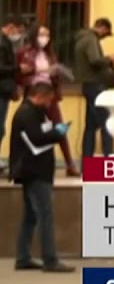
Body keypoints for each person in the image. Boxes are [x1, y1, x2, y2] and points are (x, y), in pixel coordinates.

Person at [8, 81, 75, 273]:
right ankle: (50, 259)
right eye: (48, 100)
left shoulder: (35, 112)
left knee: (30, 216)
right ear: (39, 96)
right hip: (34, 171)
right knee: (45, 215)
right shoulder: (27, 114)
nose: (49, 104)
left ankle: (23, 257)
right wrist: (58, 133)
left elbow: (41, 132)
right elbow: (36, 138)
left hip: (35, 170)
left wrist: (54, 130)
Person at [16, 26, 78, 176]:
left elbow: (55, 76)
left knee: (58, 126)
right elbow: (19, 74)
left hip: (49, 94)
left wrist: (57, 73)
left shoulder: (49, 54)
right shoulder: (24, 52)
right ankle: (20, 163)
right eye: (42, 34)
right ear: (34, 35)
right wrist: (40, 71)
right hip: (33, 93)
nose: (45, 38)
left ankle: (69, 163)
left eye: (48, 35)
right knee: (28, 129)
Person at [73, 17, 114, 166]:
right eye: (106, 33)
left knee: (90, 126)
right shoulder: (91, 39)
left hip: (87, 85)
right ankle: (109, 159)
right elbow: (95, 60)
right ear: (102, 27)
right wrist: (109, 59)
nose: (104, 36)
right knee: (106, 123)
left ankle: (87, 163)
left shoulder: (81, 39)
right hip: (95, 85)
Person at [0, 15, 28, 177]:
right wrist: (18, 69)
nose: (19, 35)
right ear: (11, 27)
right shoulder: (2, 43)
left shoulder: (5, 42)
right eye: (19, 30)